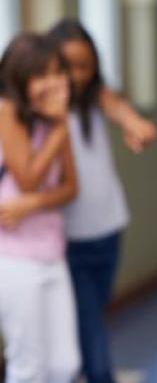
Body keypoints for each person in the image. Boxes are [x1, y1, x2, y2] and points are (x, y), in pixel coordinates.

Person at [48, 18, 156, 383]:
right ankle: (99, 375)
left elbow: (123, 112)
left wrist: (135, 125)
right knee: (88, 320)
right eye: (67, 67)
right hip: (67, 234)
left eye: (84, 67)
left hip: (108, 226)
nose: (76, 76)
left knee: (93, 314)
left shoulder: (96, 97)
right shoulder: (44, 112)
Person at [0, 32, 80, 383]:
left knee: (64, 365)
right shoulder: (6, 112)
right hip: (13, 257)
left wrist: (34, 204)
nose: (54, 84)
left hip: (51, 251)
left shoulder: (53, 121)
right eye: (42, 75)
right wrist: (61, 125)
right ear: (19, 80)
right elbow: (29, 178)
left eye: (58, 73)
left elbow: (70, 188)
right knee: (28, 367)